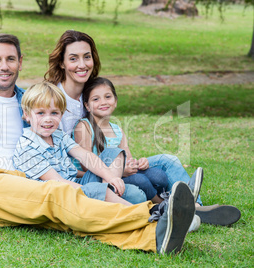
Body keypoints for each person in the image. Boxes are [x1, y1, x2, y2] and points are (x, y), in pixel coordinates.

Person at [0, 33, 198, 254]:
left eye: (11, 59)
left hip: (25, 184)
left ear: (19, 62)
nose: (4, 66)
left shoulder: (29, 101)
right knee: (57, 194)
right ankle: (152, 214)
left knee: (62, 215)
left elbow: (66, 120)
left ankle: (154, 239)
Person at [44, 29, 241, 226]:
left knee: (167, 161)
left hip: (114, 166)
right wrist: (116, 171)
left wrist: (132, 164)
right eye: (73, 58)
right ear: (62, 62)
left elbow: (111, 137)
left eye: (87, 57)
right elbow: (62, 161)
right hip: (88, 176)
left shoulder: (92, 91)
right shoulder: (53, 102)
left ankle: (195, 207)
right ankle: (167, 209)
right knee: (137, 192)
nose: (82, 64)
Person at [13, 81, 146, 205]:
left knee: (114, 153)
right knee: (127, 196)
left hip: (75, 183)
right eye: (40, 113)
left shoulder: (58, 135)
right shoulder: (27, 147)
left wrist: (111, 177)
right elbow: (58, 182)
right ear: (27, 114)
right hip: (57, 194)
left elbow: (85, 156)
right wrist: (96, 192)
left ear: (61, 114)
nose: (48, 119)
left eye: (54, 113)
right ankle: (139, 213)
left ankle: (111, 195)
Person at [73, 77, 168, 204]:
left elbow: (128, 159)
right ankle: (161, 203)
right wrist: (119, 171)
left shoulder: (117, 130)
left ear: (115, 101)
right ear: (87, 106)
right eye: (96, 99)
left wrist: (139, 163)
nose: (103, 102)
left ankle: (165, 197)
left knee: (159, 175)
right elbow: (86, 166)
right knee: (141, 181)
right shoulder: (84, 127)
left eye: (108, 97)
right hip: (97, 178)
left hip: (121, 173)